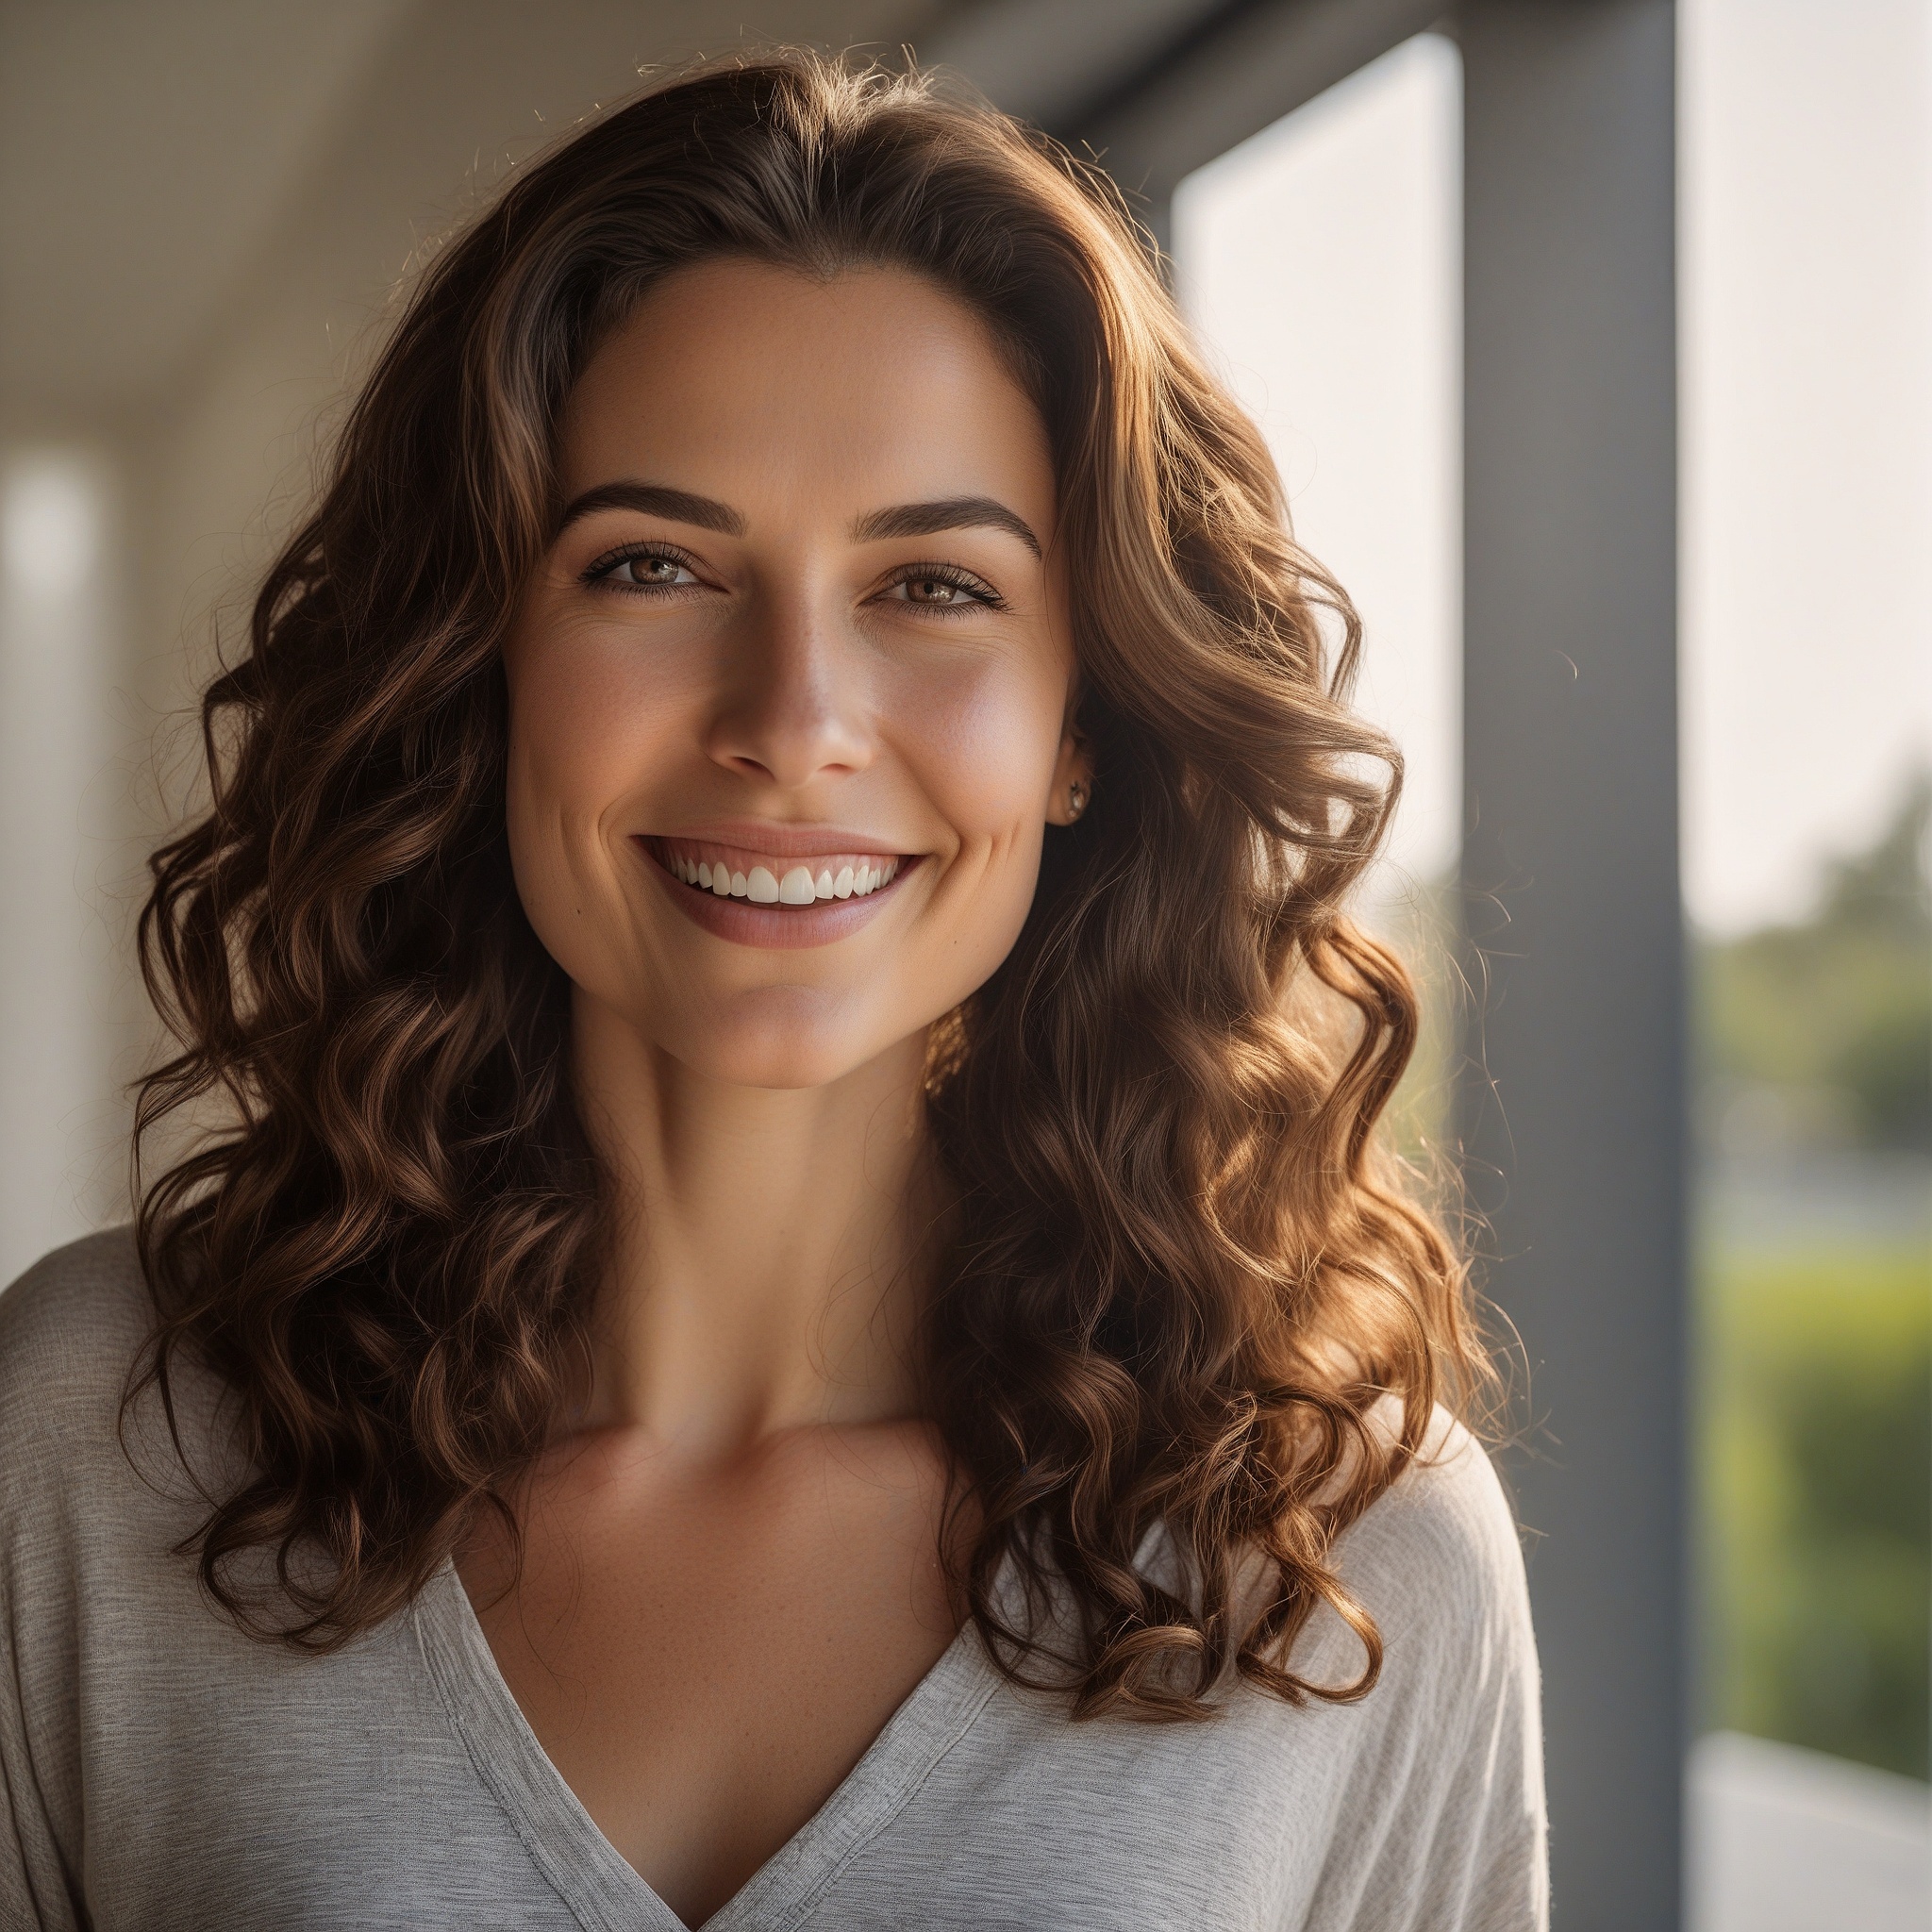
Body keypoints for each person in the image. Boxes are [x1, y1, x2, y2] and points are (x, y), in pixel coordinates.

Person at [0, 50, 1545, 1931]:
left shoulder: (1347, 1547)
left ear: (1084, 723)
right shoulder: (97, 1435)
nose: (791, 723)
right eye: (652, 565)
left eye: (933, 589)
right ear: (479, 668)